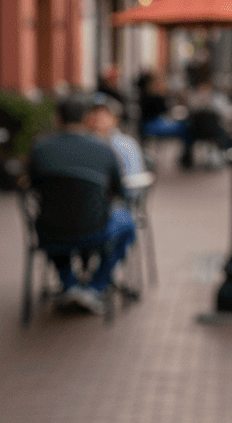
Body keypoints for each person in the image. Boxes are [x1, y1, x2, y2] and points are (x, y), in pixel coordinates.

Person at [26, 94, 136, 315]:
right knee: (127, 224)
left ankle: (69, 284)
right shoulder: (104, 150)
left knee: (55, 222)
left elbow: (34, 187)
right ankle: (96, 285)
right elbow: (121, 193)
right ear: (87, 118)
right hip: (95, 229)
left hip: (50, 231)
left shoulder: (39, 149)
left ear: (57, 118)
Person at [87, 95, 149, 199]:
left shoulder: (125, 145)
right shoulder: (84, 142)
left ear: (116, 118)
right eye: (94, 113)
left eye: (104, 114)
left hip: (117, 199)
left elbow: (135, 188)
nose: (98, 118)